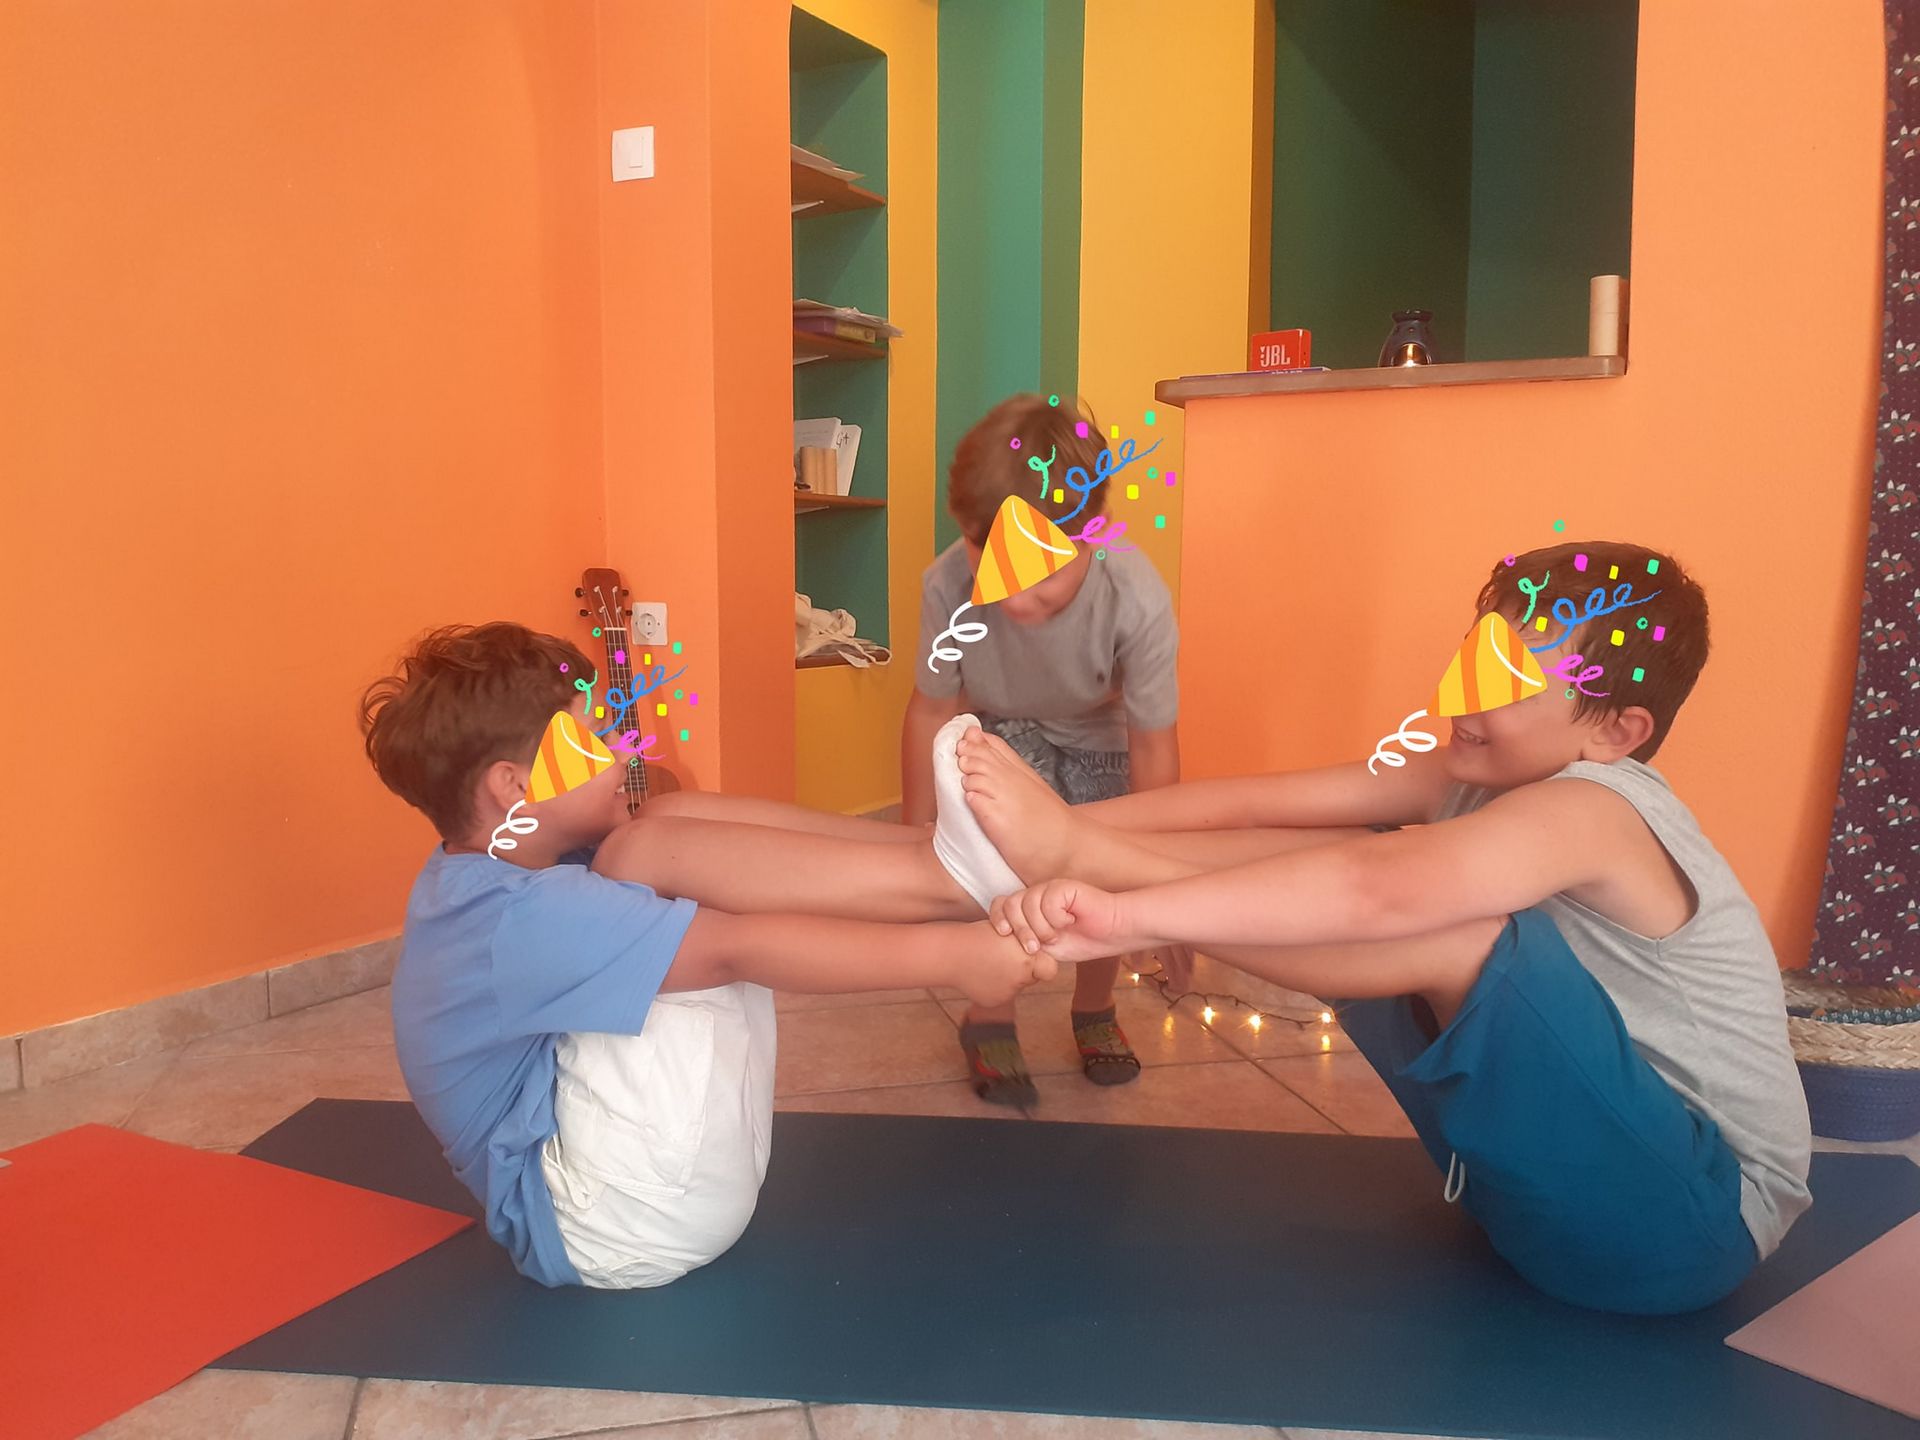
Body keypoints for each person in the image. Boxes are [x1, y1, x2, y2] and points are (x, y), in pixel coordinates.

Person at [960, 539, 1814, 1316]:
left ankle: (1100, 889)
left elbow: (1380, 892)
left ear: (1614, 731)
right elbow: (1254, 803)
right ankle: (1079, 865)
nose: (1464, 694)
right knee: (1340, 855)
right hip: (1546, 1207)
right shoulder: (1471, 774)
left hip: (1688, 1226)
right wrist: (1073, 831)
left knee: (1444, 917)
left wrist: (1124, 910)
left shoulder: (1600, 808)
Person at [358, 623, 1054, 1290]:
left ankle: (932, 859)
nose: (620, 745)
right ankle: (943, 887)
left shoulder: (487, 873)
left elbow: (668, 810)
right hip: (608, 1221)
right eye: (593, 737)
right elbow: (733, 952)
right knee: (645, 854)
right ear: (513, 787)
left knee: (658, 826)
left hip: (643, 1194)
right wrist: (953, 958)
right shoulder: (520, 917)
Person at [900, 393, 1181, 1106]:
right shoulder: (946, 586)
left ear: (1093, 535)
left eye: (1043, 573)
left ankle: (1095, 1006)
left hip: (1100, 736)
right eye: (994, 564)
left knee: (1101, 874)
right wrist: (918, 826)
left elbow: (1154, 741)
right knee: (990, 872)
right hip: (997, 729)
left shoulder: (1135, 595)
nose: (1018, 600)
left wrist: (1162, 874)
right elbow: (931, 706)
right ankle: (991, 1011)